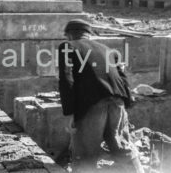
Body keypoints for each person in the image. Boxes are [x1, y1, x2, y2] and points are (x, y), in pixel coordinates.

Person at [58, 19, 144, 173]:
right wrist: (128, 102)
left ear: (69, 35)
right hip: (117, 101)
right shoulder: (107, 49)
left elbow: (66, 77)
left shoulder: (68, 46)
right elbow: (122, 77)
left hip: (91, 104)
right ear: (88, 35)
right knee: (122, 147)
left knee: (86, 155)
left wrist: (70, 112)